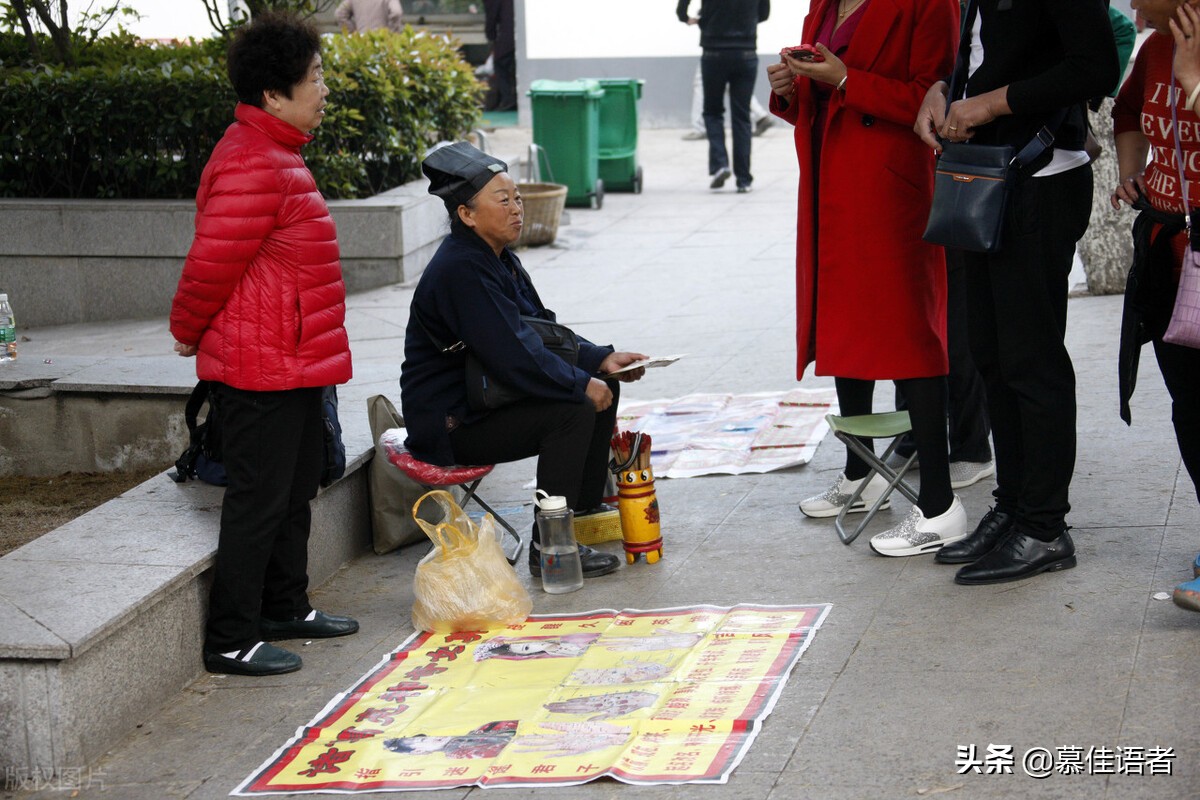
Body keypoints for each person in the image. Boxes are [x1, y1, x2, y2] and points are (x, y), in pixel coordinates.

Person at [169, 12, 358, 677]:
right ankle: (229, 639)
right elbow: (209, 266)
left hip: (294, 361)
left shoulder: (275, 155)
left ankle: (285, 606)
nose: (324, 88)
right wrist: (188, 333)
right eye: (315, 78)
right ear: (274, 95)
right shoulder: (254, 161)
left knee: (298, 484)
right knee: (258, 500)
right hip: (259, 368)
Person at [914, 0, 1119, 584]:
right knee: (991, 356)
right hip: (983, 175)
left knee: (1032, 361)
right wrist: (942, 89)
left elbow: (1094, 67)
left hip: (1038, 177)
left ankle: (1045, 527)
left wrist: (987, 103)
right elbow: (987, 47)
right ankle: (1013, 507)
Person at [767, 0, 967, 558]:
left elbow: (938, 97)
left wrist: (848, 77)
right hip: (833, 177)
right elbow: (817, 98)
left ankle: (940, 503)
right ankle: (862, 469)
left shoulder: (930, 4)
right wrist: (791, 86)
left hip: (891, 183)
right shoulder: (824, 3)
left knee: (910, 332)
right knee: (842, 321)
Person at [399, 142, 648, 581]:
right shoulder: (461, 269)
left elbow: (542, 329)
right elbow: (514, 355)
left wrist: (602, 359)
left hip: (484, 398)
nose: (517, 208)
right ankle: (550, 546)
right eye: (503, 200)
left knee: (603, 385)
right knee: (572, 409)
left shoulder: (497, 258)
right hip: (452, 423)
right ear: (467, 215)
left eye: (517, 197)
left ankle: (578, 512)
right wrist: (578, 384)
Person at [1111, 0, 1200, 612]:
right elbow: (1126, 115)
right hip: (1167, 255)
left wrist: (1195, 83)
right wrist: (1131, 172)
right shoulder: (1153, 48)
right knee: (1189, 409)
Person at [678, 0, 770, 192]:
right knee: (742, 116)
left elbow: (682, 7)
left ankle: (720, 165)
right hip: (746, 51)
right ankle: (744, 180)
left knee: (712, 112)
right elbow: (764, 14)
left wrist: (687, 18)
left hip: (714, 51)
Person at [683, 64, 774, 140]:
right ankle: (760, 116)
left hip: (717, 46)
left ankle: (700, 128)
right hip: (737, 47)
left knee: (702, 80)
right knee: (731, 82)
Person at [484, 0, 517, 112]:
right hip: (515, 31)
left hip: (508, 33)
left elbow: (491, 17)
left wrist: (491, 37)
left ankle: (508, 99)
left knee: (500, 63)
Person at [335, 0, 403, 33]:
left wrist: (353, 33)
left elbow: (339, 14)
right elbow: (396, 12)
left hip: (362, 43)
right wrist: (391, 33)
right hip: (383, 43)